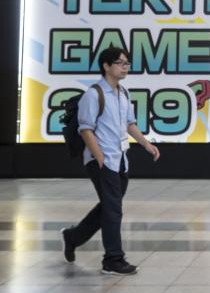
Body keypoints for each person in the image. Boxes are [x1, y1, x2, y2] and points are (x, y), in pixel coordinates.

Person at [60, 47, 160, 275]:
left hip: (120, 159)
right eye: (120, 63)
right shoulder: (94, 94)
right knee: (113, 209)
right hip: (102, 161)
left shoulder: (123, 93)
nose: (125, 67)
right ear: (106, 66)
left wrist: (146, 144)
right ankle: (113, 259)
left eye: (127, 63)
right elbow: (85, 129)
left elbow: (129, 123)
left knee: (109, 206)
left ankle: (73, 237)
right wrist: (100, 156)